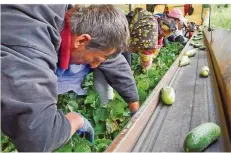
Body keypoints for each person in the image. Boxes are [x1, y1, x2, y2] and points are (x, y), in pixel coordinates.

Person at [1, 4, 139, 152]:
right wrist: (75, 121)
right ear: (81, 41)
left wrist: (134, 107)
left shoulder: (69, 16)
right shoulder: (31, 45)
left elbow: (114, 61)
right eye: (97, 59)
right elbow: (39, 138)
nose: (94, 66)